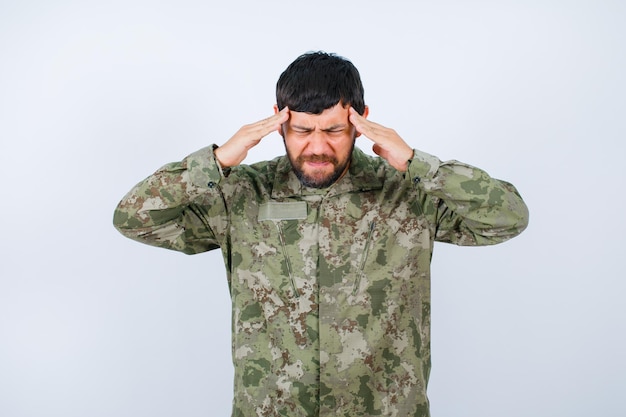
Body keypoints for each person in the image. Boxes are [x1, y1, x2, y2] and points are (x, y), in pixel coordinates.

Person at [113, 51, 529, 417]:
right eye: (302, 131)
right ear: (279, 122)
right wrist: (218, 161)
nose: (317, 148)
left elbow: (508, 217)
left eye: (332, 131)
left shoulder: (407, 193)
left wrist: (419, 164)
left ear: (361, 121)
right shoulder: (241, 194)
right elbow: (133, 217)